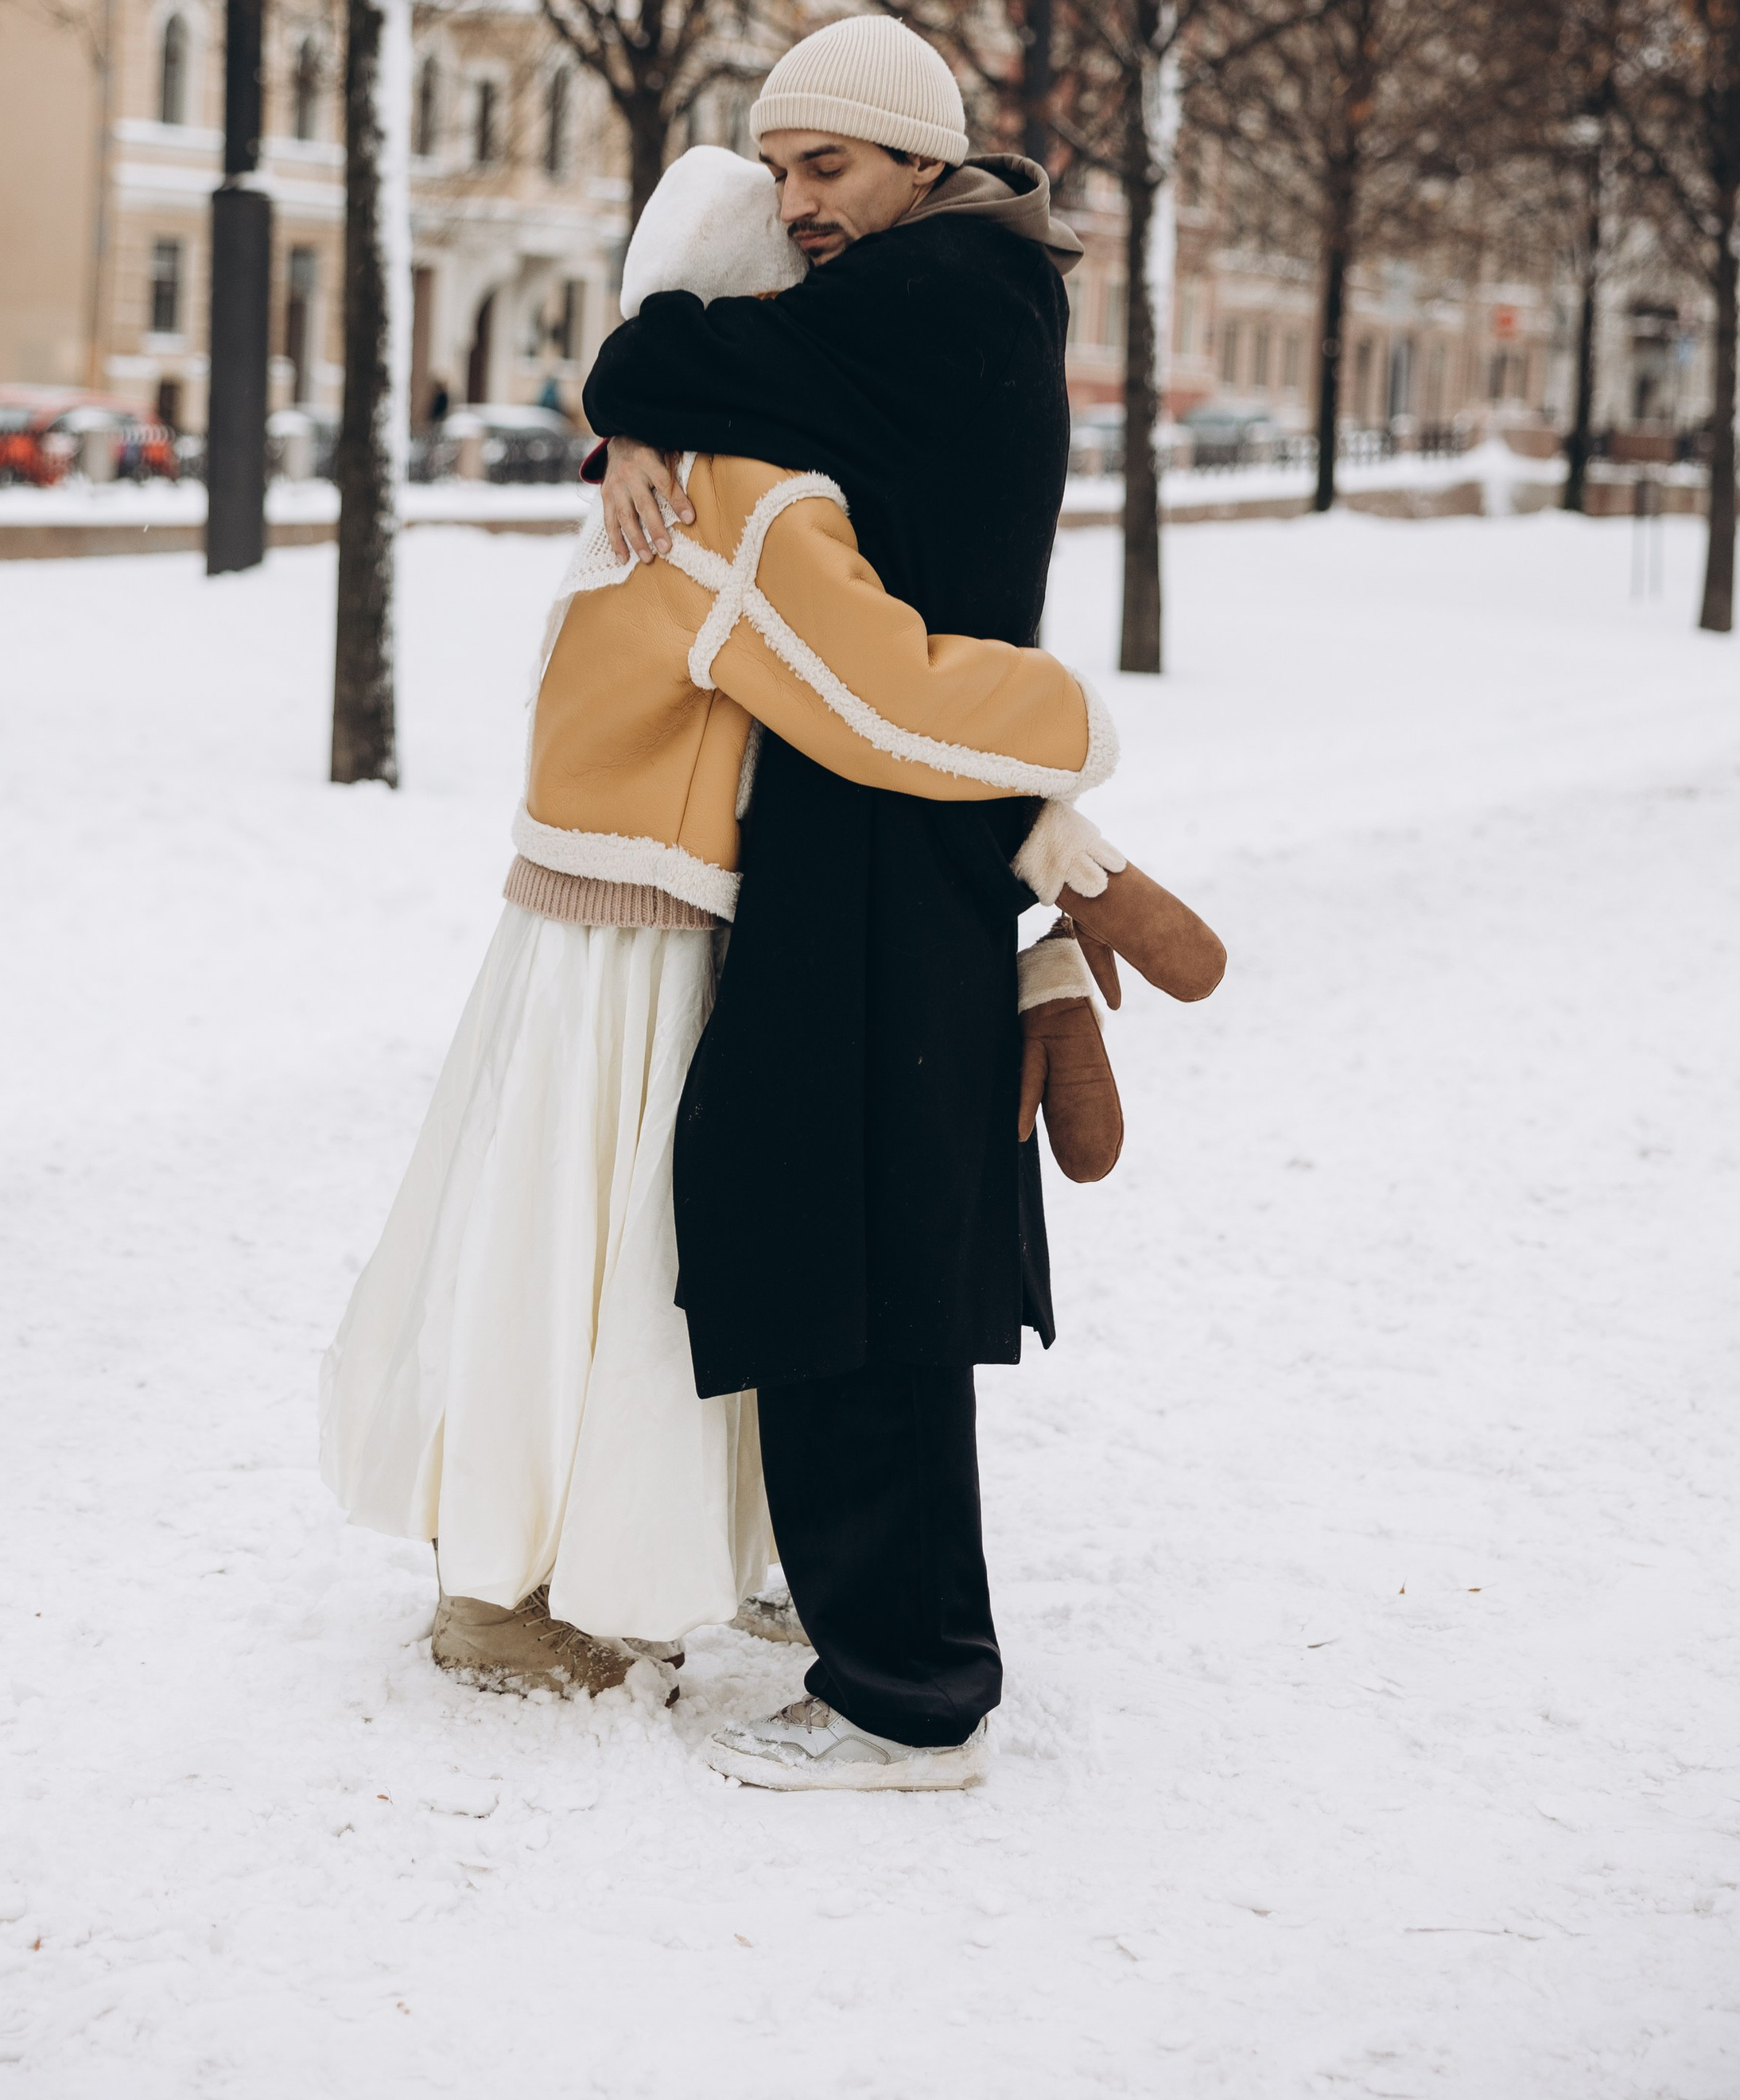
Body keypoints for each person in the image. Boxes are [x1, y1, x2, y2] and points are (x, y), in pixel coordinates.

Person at [321, 143, 1215, 1701]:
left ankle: (596, 1557)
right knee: (617, 1272)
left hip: (580, 916)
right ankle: (525, 1585)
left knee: (556, 1255)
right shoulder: (745, 492)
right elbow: (878, 699)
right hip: (648, 934)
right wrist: (1072, 731)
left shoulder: (667, 459)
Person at [583, 13, 1213, 1791]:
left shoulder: (937, 293)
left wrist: (635, 405)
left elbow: (666, 345)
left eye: (829, 165)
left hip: (883, 822)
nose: (797, 203)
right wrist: (644, 415)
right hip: (896, 817)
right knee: (859, 1228)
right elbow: (710, 379)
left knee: (839, 1234)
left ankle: (907, 1692)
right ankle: (869, 1619)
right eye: (779, 169)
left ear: (920, 164)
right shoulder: (968, 288)